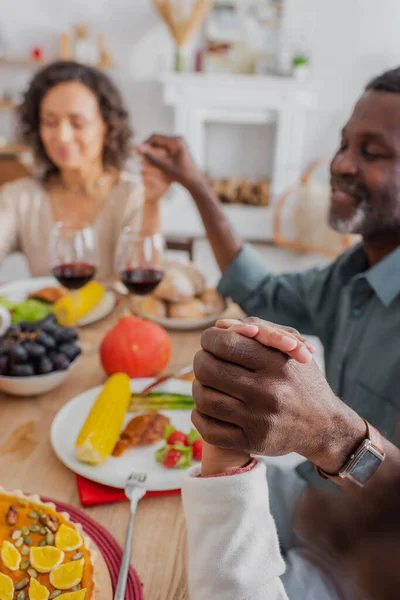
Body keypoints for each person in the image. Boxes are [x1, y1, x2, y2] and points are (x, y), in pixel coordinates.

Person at [140, 66, 400, 598]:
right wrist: (195, 184)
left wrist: (335, 436)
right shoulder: (350, 275)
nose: (341, 163)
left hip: (361, 564)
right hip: (306, 501)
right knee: (151, 520)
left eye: (373, 152)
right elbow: (261, 290)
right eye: (344, 143)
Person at [182, 318, 400, 600]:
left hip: (350, 571)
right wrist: (269, 351)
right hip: (313, 493)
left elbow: (230, 588)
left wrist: (225, 450)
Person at [0, 61, 169, 281]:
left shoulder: (133, 195)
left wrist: (152, 203)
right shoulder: (20, 197)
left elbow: (144, 276)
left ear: (107, 126)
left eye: (77, 123)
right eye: (50, 122)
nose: (62, 136)